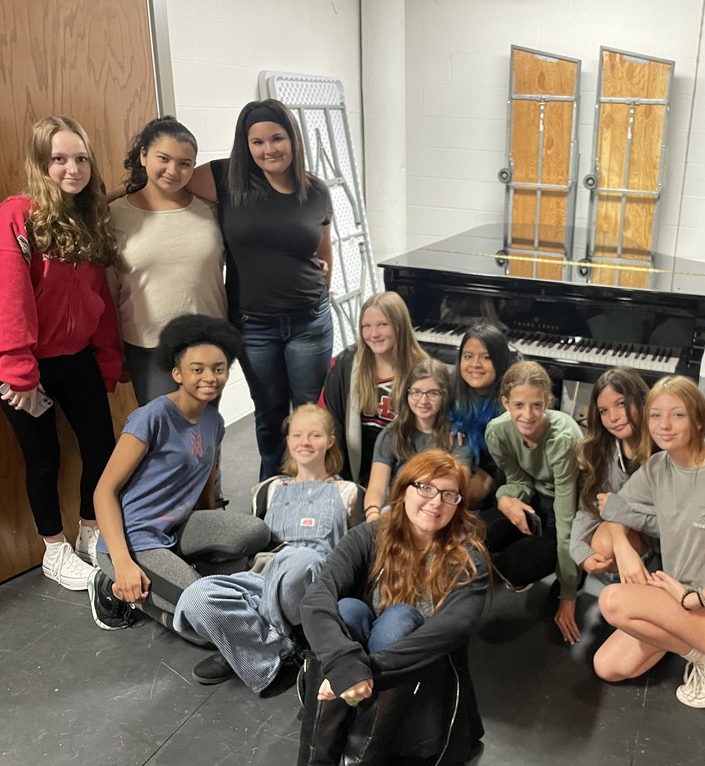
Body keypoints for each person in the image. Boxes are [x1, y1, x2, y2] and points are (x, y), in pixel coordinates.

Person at [594, 376, 705, 709]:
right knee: (607, 667)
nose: (664, 425)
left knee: (612, 600)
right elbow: (613, 509)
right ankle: (689, 642)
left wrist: (698, 597)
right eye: (655, 415)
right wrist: (625, 551)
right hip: (679, 601)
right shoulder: (657, 467)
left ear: (698, 420)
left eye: (677, 415)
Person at [298, 450, 490, 766]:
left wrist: (356, 672)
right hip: (350, 689)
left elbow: (451, 630)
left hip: (414, 701)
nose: (436, 501)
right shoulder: (371, 534)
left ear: (458, 506)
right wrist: (345, 664)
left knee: (400, 618)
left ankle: (360, 760)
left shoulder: (468, 560)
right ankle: (316, 760)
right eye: (425, 487)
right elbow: (316, 597)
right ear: (402, 491)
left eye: (449, 495)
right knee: (346, 610)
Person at [89, 315, 271, 633]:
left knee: (255, 533)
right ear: (178, 373)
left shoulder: (213, 423)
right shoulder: (152, 417)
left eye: (218, 368)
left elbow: (202, 492)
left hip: (175, 528)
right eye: (197, 369)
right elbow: (103, 491)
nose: (209, 378)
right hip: (133, 539)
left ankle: (176, 579)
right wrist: (122, 562)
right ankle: (117, 587)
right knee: (211, 619)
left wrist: (212, 534)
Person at [0, 115, 121, 590]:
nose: (72, 168)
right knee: (44, 459)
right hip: (23, 366)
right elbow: (12, 298)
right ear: (40, 164)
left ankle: (92, 533)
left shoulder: (89, 218)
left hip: (77, 358)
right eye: (59, 159)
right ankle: (54, 550)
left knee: (101, 449)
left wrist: (108, 360)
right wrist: (20, 374)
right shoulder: (17, 215)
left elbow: (101, 299)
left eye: (80, 158)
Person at [188, 98, 334, 480]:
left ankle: (313, 493)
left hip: (310, 323)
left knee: (309, 418)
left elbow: (324, 252)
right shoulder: (224, 179)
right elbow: (165, 182)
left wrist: (320, 289)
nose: (269, 149)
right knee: (269, 418)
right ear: (245, 145)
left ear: (292, 139)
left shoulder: (315, 190)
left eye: (277, 138)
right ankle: (269, 496)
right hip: (254, 328)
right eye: (258, 142)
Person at [174, 404, 358, 694]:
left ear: (331, 441)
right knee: (196, 596)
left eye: (315, 435)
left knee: (299, 560)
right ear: (288, 441)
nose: (305, 442)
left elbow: (354, 552)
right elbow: (253, 539)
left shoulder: (346, 491)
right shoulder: (268, 489)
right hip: (264, 577)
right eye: (297, 435)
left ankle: (244, 648)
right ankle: (281, 651)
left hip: (314, 580)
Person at [109, 115, 227, 405]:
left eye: (185, 163)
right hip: (149, 349)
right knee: (165, 441)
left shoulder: (211, 211)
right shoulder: (114, 214)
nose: (173, 170)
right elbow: (108, 288)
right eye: (164, 158)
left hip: (209, 343)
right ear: (144, 156)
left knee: (206, 438)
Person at [484, 360, 583, 645]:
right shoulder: (497, 431)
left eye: (536, 406)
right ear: (506, 403)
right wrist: (504, 498)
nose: (527, 415)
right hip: (536, 496)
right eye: (518, 405)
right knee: (479, 534)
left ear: (548, 403)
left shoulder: (563, 438)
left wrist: (569, 596)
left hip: (569, 504)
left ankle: (577, 571)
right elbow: (519, 480)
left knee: (515, 566)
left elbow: (566, 516)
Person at [321, 291, 428, 485]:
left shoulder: (424, 371)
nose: (373, 334)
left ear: (400, 326)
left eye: (382, 325)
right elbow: (327, 418)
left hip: (405, 475)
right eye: (366, 326)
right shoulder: (346, 365)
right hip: (354, 473)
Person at [570, 366, 655, 582]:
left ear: (641, 401)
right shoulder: (601, 448)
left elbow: (674, 523)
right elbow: (590, 504)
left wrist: (622, 513)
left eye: (621, 404)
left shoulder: (663, 450)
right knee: (602, 547)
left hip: (661, 541)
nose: (613, 417)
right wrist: (579, 550)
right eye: (603, 411)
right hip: (627, 529)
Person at [363, 358, 470, 522]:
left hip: (438, 513)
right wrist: (372, 515)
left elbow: (458, 488)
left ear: (445, 395)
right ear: (407, 393)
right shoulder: (391, 433)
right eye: (416, 392)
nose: (423, 400)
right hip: (398, 510)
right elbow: (376, 488)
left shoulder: (457, 436)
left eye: (433, 393)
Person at [448, 323, 517, 506]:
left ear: (500, 361)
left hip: (500, 472)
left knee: (466, 493)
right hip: (461, 458)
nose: (475, 365)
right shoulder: (451, 390)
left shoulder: (511, 402)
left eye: (486, 357)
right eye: (468, 356)